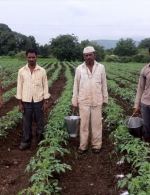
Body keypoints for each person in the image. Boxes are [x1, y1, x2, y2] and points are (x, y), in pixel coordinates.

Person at [72, 46, 108, 154]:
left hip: (97, 100)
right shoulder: (79, 69)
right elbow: (76, 85)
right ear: (84, 56)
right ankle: (83, 146)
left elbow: (104, 84)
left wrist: (105, 98)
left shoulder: (101, 67)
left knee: (97, 124)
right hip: (83, 100)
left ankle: (96, 145)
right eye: (86, 55)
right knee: (83, 125)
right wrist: (74, 101)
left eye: (90, 55)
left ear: (94, 55)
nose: (89, 57)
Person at [15, 48, 50, 150]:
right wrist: (20, 103)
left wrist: (45, 101)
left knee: (40, 122)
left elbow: (45, 86)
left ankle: (40, 141)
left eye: (33, 57)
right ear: (26, 58)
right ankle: (26, 141)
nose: (31, 59)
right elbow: (19, 87)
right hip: (26, 101)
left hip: (39, 101)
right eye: (29, 57)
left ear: (36, 57)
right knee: (26, 123)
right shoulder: (21, 71)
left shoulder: (42, 71)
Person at [133, 48, 150, 143]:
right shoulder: (145, 70)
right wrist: (136, 105)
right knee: (147, 128)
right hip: (146, 103)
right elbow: (140, 88)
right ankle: (147, 151)